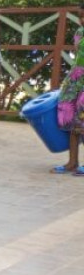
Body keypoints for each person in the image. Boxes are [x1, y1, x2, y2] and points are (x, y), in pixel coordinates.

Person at [54, 13, 84, 175]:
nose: (82, 20)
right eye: (81, 16)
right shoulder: (80, 32)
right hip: (76, 77)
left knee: (83, 121)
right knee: (71, 120)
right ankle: (72, 162)